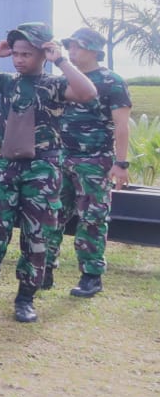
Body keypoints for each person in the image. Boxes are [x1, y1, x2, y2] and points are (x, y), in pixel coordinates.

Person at [0, 23, 96, 323]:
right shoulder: (6, 81)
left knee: (36, 236)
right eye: (16, 54)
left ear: (43, 54)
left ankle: (25, 298)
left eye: (26, 54)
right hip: (6, 167)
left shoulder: (55, 85)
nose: (19, 59)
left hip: (43, 170)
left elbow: (87, 92)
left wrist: (61, 60)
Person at [47, 27, 131, 300]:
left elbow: (121, 125)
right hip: (62, 158)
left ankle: (91, 276)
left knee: (92, 218)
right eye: (70, 46)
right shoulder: (66, 79)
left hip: (94, 161)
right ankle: (45, 268)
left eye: (78, 47)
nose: (72, 51)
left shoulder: (111, 82)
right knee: (53, 213)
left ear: (94, 50)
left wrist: (121, 163)